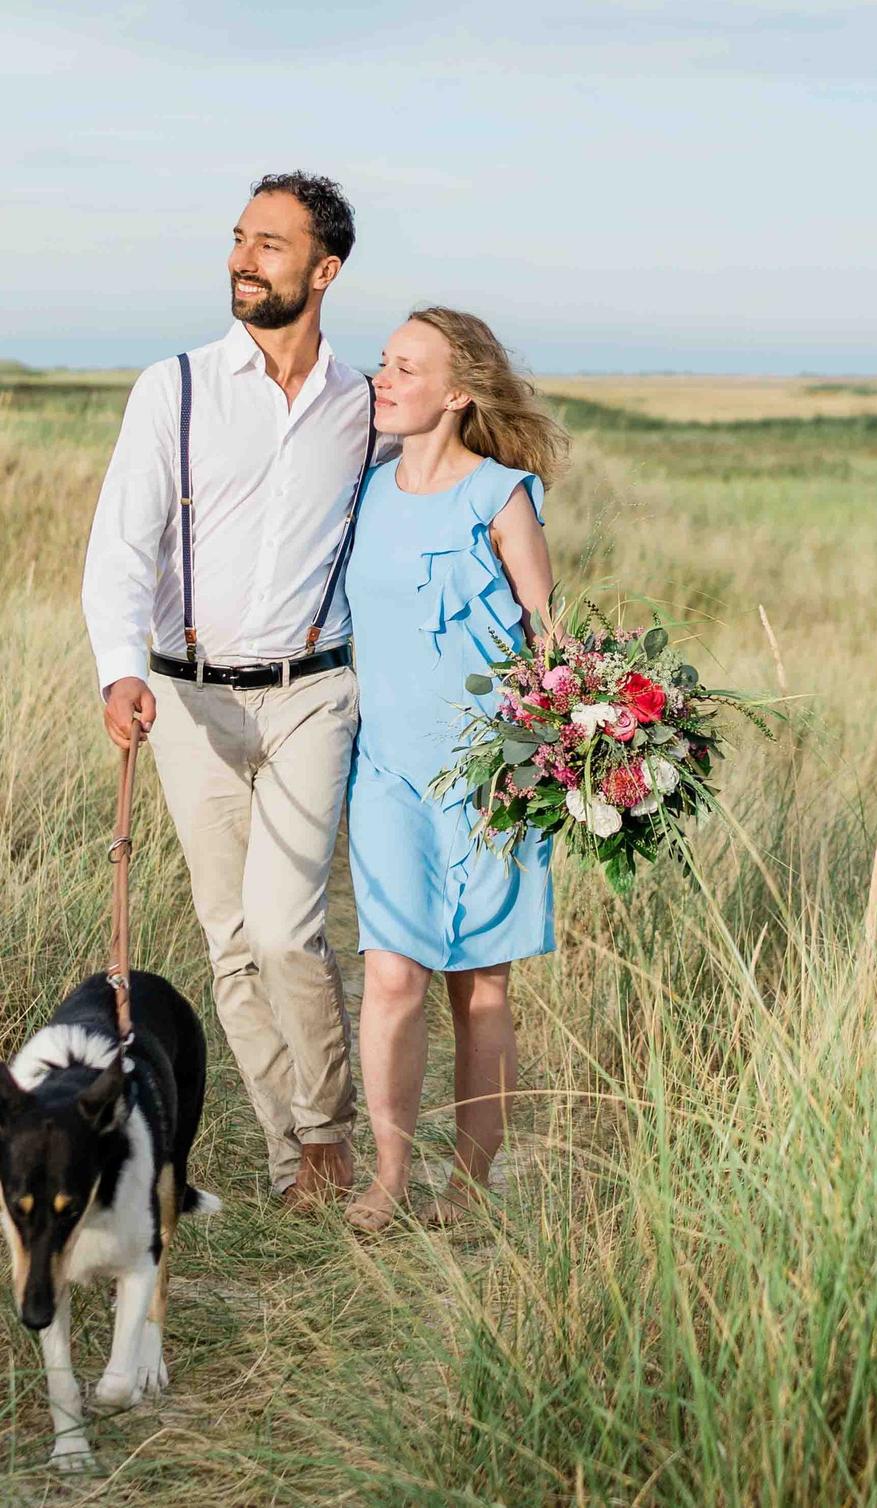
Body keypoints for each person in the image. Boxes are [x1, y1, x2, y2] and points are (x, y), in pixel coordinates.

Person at [81, 172, 376, 1210]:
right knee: (233, 940)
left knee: (287, 926)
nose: (242, 260)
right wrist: (119, 666)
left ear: (324, 270)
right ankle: (295, 1156)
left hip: (311, 694)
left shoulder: (366, 405)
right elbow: (122, 546)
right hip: (186, 698)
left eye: (269, 245)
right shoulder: (175, 387)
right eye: (240, 238)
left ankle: (330, 1129)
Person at [340, 307, 565, 1232]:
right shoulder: (364, 491)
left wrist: (544, 763)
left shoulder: (502, 497)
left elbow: (551, 644)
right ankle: (390, 1174)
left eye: (407, 367)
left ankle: (470, 1183)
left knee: (481, 988)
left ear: (459, 391)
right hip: (387, 774)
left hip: (491, 778)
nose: (383, 379)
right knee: (393, 975)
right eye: (383, 363)